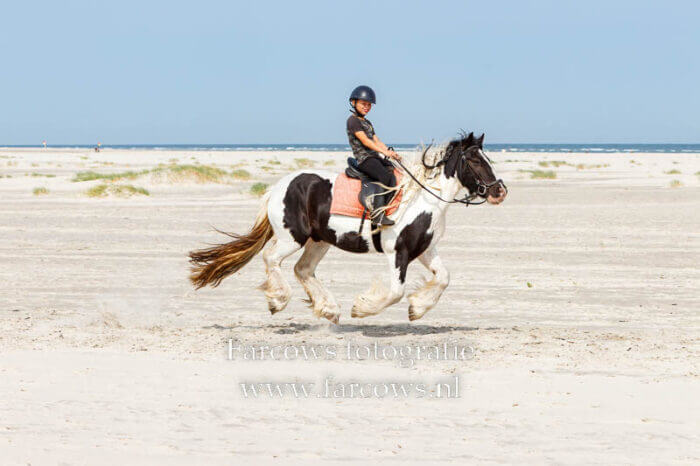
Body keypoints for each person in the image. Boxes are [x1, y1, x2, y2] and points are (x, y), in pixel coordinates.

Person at [346, 85, 401, 226]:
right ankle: (377, 214)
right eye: (364, 104)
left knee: (393, 172)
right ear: (354, 102)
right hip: (364, 159)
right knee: (384, 177)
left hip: (374, 157)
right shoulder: (352, 121)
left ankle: (387, 207)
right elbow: (365, 141)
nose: (367, 107)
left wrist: (390, 152)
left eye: (369, 105)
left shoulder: (367, 122)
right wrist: (384, 152)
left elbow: (376, 140)